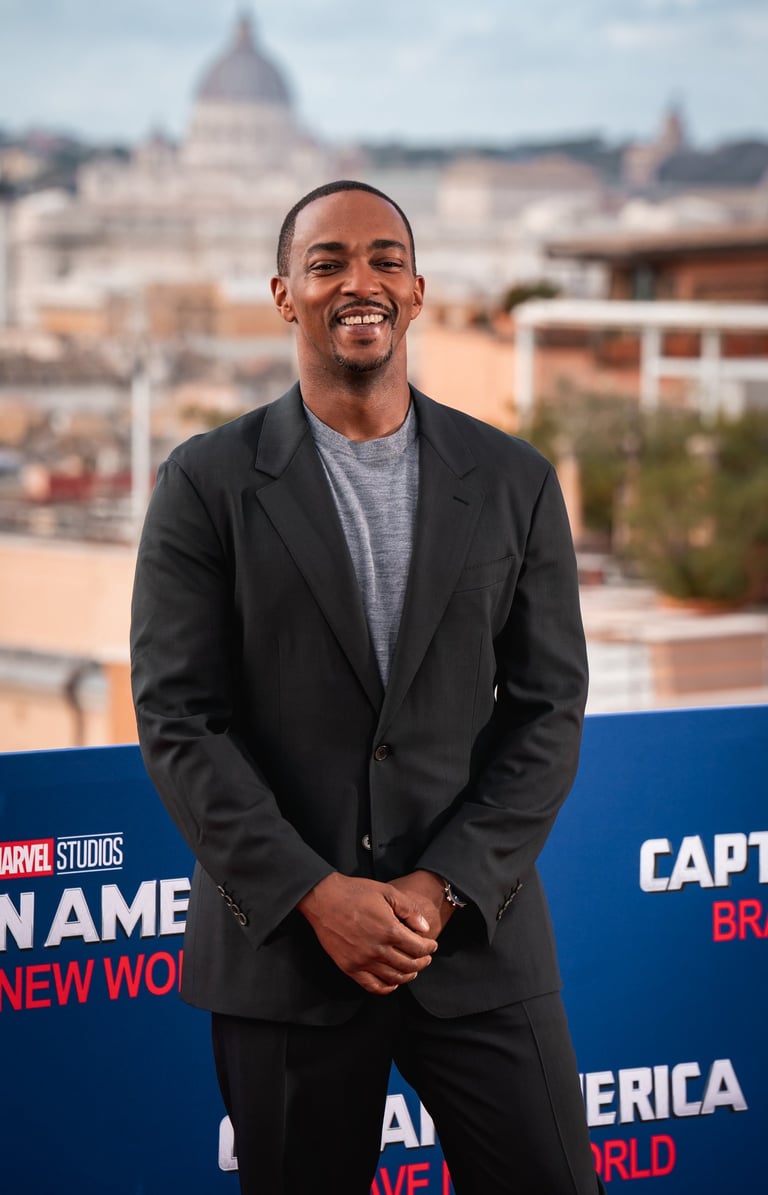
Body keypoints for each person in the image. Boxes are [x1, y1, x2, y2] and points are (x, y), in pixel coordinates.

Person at [130, 180, 601, 1195]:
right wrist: (316, 894)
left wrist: (439, 889)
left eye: (387, 260)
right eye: (328, 262)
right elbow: (179, 720)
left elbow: (548, 711)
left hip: (475, 944)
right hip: (286, 960)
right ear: (283, 294)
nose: (362, 281)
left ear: (418, 291)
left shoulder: (514, 479)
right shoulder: (204, 483)